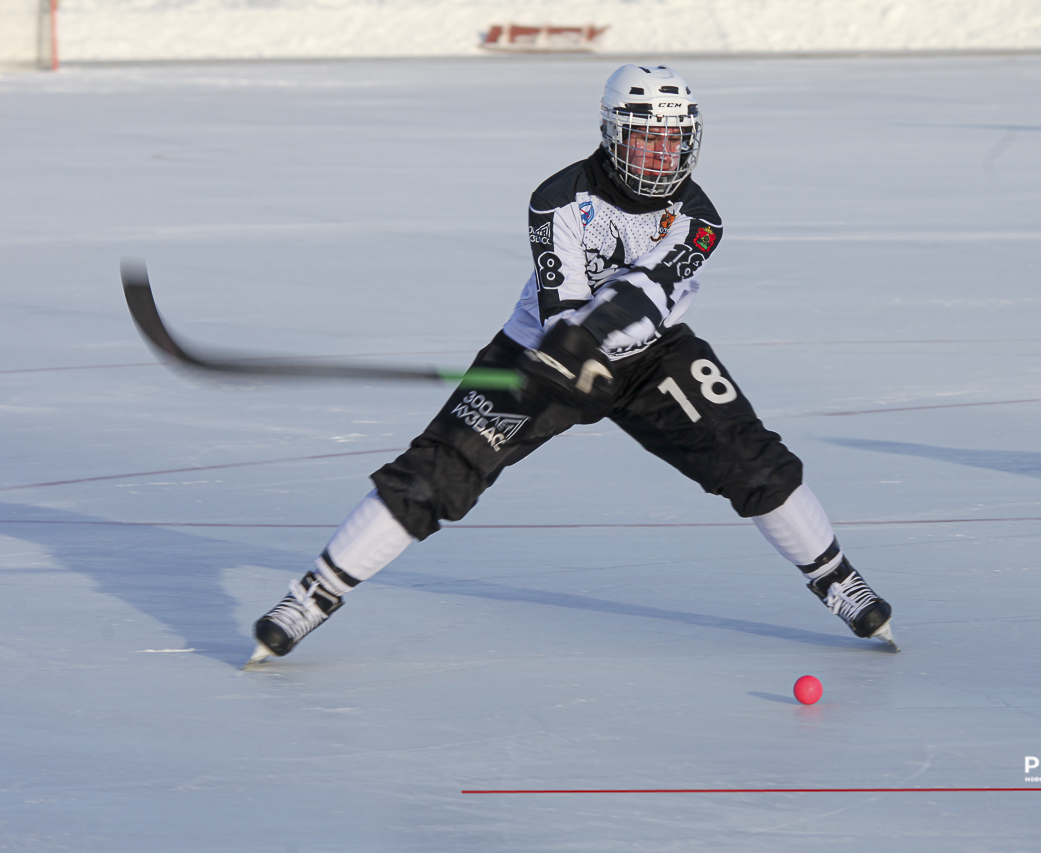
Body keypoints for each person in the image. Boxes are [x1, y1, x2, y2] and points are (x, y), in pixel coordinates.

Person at [248, 64, 896, 666]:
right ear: (613, 136)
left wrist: (596, 350)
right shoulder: (559, 198)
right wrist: (566, 355)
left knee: (753, 461)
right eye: (645, 140)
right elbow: (565, 311)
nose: (660, 156)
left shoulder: (699, 218)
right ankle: (314, 592)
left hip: (651, 357)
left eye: (672, 142)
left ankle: (837, 579)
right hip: (538, 354)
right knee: (435, 472)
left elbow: (648, 289)